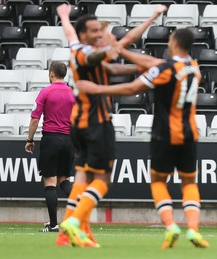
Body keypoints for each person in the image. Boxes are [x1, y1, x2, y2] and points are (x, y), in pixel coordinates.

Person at [75, 28, 209, 249]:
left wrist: (97, 89)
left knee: (158, 181)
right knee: (189, 183)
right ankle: (193, 229)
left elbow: (133, 88)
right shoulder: (193, 67)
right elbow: (151, 62)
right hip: (189, 133)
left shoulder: (165, 69)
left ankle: (171, 226)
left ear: (174, 42)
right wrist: (122, 50)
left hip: (164, 134)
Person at [56, 4, 167, 248]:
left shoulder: (77, 46)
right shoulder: (88, 53)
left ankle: (68, 232)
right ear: (86, 34)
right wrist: (150, 19)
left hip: (80, 123)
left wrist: (64, 15)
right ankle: (75, 222)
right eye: (95, 30)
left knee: (83, 176)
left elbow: (107, 63)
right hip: (96, 122)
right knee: (103, 179)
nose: (99, 33)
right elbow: (107, 52)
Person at [25, 61, 75, 232]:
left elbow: (34, 119)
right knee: (64, 180)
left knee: (50, 182)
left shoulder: (45, 92)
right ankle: (82, 203)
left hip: (51, 139)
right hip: (68, 140)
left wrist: (29, 139)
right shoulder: (72, 94)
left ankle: (53, 224)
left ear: (52, 74)